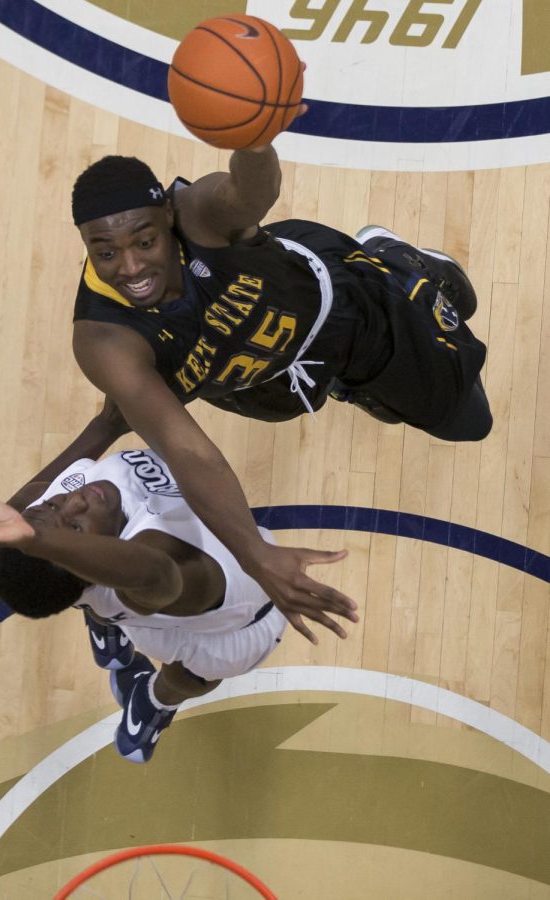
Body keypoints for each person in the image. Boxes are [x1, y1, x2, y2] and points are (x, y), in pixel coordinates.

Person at [68, 140, 491, 642]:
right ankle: (347, 383)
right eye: (106, 252)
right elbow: (184, 448)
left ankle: (397, 264)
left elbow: (251, 192)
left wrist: (253, 138)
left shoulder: (199, 214)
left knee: (465, 419)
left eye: (145, 242)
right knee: (305, 403)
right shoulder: (103, 337)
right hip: (258, 380)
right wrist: (256, 553)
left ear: (167, 216)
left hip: (338, 312)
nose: (131, 268)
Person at [0, 410, 358, 763]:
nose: (76, 498)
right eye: (74, 524)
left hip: (107, 587)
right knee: (193, 677)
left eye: (55, 506)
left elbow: (7, 532)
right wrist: (44, 538)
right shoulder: (156, 570)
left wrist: (108, 421)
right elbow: (151, 572)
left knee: (77, 580)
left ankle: (100, 620)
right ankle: (153, 706)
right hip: (238, 626)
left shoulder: (43, 517)